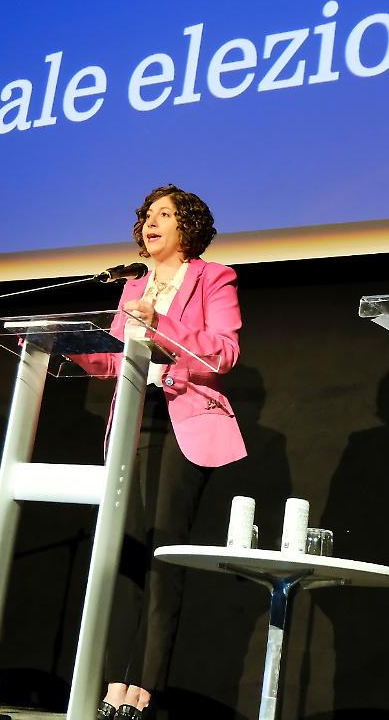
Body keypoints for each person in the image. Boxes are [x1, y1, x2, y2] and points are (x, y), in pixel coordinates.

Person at [72, 185, 246, 717]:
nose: (152, 223)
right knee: (125, 549)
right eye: (148, 215)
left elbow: (224, 352)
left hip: (184, 417)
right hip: (133, 417)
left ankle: (145, 687)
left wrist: (159, 324)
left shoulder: (213, 277)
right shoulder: (132, 285)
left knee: (163, 551)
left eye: (165, 215)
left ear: (187, 226)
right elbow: (112, 359)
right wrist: (73, 346)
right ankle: (113, 683)